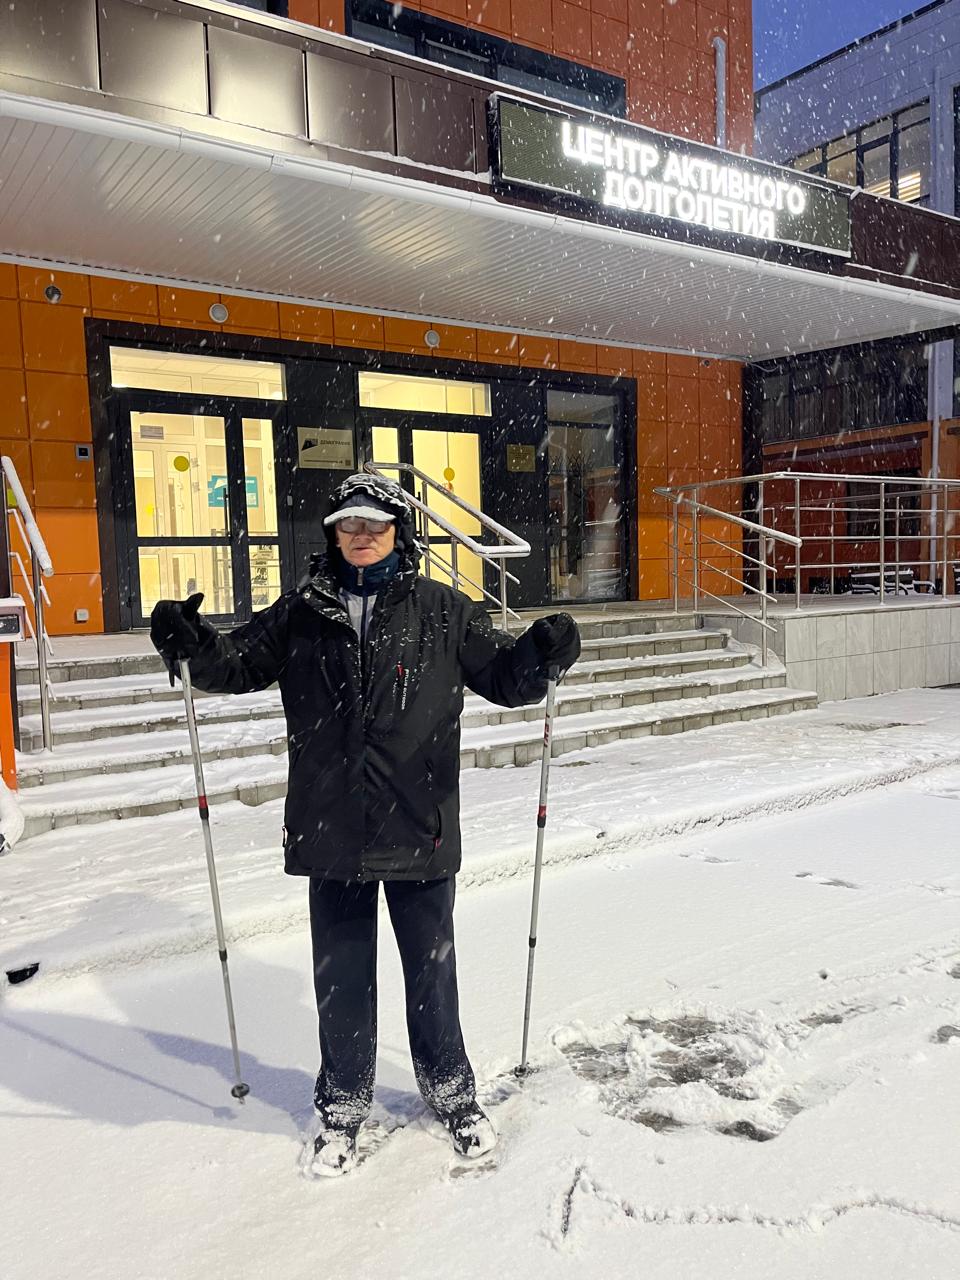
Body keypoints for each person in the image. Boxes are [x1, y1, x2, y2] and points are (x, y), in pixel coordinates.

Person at [150, 472, 580, 1177]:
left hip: (419, 824)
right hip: (331, 829)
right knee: (342, 982)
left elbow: (506, 678)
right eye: (347, 525)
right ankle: (343, 1108)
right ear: (332, 535)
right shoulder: (302, 611)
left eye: (373, 525)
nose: (360, 536)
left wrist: (541, 651)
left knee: (431, 977)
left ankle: (453, 1094)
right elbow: (236, 665)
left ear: (397, 533)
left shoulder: (444, 609)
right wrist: (191, 641)